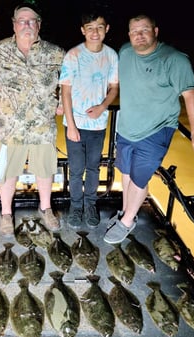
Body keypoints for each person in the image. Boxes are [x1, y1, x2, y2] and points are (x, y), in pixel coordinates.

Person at [104, 14, 194, 244]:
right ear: (128, 35)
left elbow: (190, 97)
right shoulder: (124, 52)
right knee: (125, 173)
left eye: (144, 30)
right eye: (134, 31)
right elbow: (111, 81)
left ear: (156, 31)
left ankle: (127, 221)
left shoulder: (175, 60)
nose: (139, 35)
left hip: (155, 131)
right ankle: (125, 210)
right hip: (126, 127)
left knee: (139, 179)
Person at [0, 3, 65, 235]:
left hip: (42, 125)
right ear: (14, 24)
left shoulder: (55, 53)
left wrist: (61, 102)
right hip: (11, 127)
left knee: (44, 170)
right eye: (22, 20)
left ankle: (46, 208)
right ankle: (6, 214)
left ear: (39, 25)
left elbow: (68, 83)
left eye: (32, 21)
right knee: (8, 172)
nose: (27, 25)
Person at [59, 11, 118, 230]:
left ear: (107, 29)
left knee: (93, 168)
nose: (95, 32)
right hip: (75, 124)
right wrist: (71, 125)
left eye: (100, 27)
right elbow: (65, 92)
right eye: (90, 27)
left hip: (98, 125)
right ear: (83, 30)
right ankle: (75, 206)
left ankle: (90, 204)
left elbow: (114, 87)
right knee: (76, 169)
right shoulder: (73, 55)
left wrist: (103, 106)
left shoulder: (112, 56)